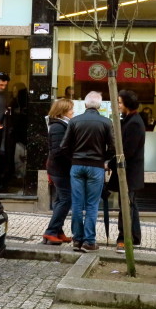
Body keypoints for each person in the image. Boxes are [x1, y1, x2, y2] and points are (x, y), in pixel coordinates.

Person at [58, 91, 113, 252]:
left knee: (76, 204)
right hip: (96, 167)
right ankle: (89, 241)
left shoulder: (74, 121)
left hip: (77, 166)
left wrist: (74, 159)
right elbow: (114, 147)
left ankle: (77, 239)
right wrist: (105, 160)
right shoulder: (106, 122)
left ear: (85, 104)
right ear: (100, 105)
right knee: (91, 205)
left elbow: (63, 146)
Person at [109, 89, 145, 254]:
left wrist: (110, 163)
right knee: (131, 205)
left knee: (126, 206)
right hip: (129, 171)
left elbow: (127, 151)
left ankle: (124, 239)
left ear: (127, 104)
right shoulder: (130, 120)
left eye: (120, 102)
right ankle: (135, 237)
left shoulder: (134, 123)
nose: (118, 105)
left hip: (129, 173)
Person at [42, 98, 74, 245]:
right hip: (59, 169)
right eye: (70, 109)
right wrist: (72, 161)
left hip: (59, 168)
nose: (73, 111)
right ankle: (50, 231)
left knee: (61, 199)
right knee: (66, 199)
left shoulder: (61, 124)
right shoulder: (57, 127)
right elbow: (58, 151)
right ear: (63, 111)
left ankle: (58, 231)